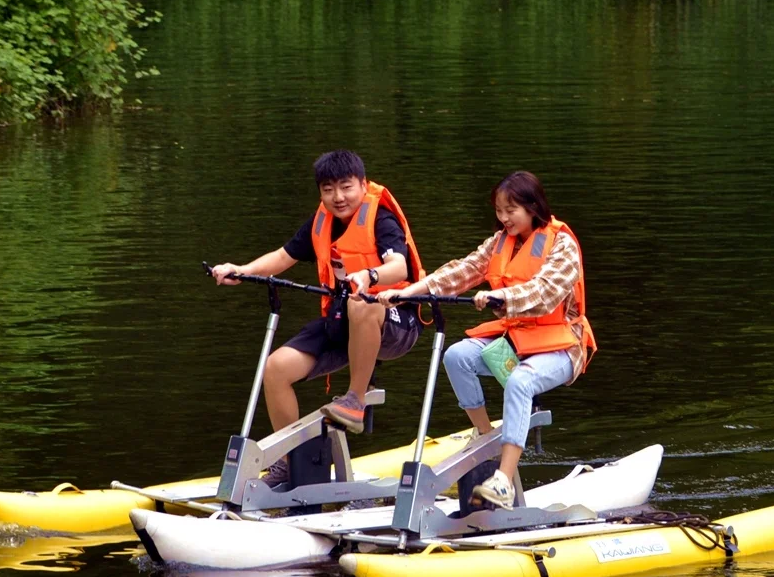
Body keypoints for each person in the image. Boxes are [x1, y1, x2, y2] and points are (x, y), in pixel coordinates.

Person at [378, 171, 595, 510]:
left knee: (521, 381)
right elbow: (461, 271)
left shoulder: (562, 244)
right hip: (517, 339)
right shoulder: (499, 242)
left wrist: (501, 297)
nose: (504, 218)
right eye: (499, 210)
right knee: (456, 356)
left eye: (512, 210)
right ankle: (487, 438)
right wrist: (408, 293)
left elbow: (546, 294)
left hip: (562, 346)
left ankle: (504, 481)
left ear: (533, 207)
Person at [211, 150, 425, 485]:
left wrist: (369, 276)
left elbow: (399, 266)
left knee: (363, 304)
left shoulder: (381, 218)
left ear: (363, 185)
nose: (338, 197)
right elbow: (283, 256)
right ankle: (289, 461)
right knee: (276, 368)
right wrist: (243, 270)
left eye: (346, 187)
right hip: (344, 320)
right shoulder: (321, 221)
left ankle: (355, 400)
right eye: (328, 189)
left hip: (397, 321)